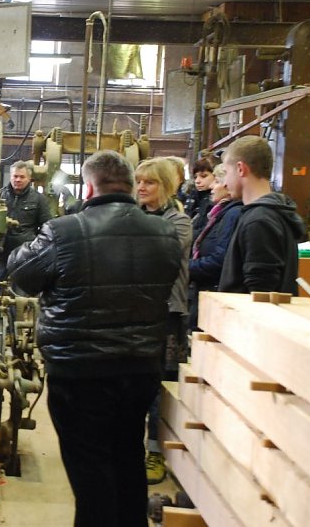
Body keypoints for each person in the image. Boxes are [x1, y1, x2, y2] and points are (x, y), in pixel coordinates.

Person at [8, 150, 182, 527]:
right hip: (139, 370)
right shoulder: (165, 232)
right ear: (132, 185)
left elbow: (21, 275)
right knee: (127, 460)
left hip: (80, 372)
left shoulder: (65, 230)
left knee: (91, 475)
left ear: (88, 186)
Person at [135, 157, 192, 485]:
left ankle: (155, 451)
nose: (142, 187)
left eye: (150, 182)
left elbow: (153, 253)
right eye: (139, 181)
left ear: (167, 186)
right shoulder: (135, 216)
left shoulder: (179, 222)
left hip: (166, 314)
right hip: (135, 310)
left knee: (156, 388)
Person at [218, 135, 305, 294]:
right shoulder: (270, 213)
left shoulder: (259, 220)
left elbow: (261, 293)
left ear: (240, 168)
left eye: (226, 172)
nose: (224, 183)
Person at [188, 164, 242, 330]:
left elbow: (221, 260)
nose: (211, 186)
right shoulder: (219, 213)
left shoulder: (232, 214)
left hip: (215, 292)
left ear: (228, 185)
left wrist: (185, 266)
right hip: (206, 290)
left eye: (216, 181)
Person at [0, 160, 52, 278]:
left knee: (21, 292)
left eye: (22, 177)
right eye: (15, 176)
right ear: (10, 177)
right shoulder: (0, 195)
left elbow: (47, 226)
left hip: (24, 256)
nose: (18, 180)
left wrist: (35, 247)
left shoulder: (39, 199)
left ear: (29, 178)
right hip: (1, 254)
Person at [185, 156, 218, 240]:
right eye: (195, 177)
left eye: (203, 176)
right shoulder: (191, 196)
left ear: (215, 176)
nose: (197, 181)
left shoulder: (215, 200)